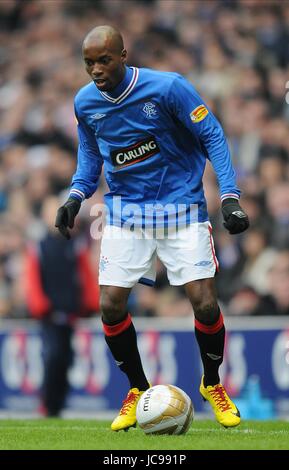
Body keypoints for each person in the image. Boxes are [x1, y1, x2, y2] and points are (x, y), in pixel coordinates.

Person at [55, 25, 249, 430]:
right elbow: (92, 156)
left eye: (103, 60)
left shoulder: (168, 88)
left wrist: (229, 195)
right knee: (110, 305)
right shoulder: (85, 103)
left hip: (181, 208)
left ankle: (212, 383)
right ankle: (138, 389)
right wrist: (75, 196)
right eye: (88, 63)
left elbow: (211, 133)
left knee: (206, 302)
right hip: (127, 213)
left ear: (124, 56)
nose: (95, 70)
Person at [26, 196, 99, 416]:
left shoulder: (75, 245)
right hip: (50, 315)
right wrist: (41, 306)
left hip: (70, 313)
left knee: (66, 358)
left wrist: (90, 304)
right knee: (53, 356)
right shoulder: (40, 247)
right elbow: (32, 279)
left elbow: (85, 276)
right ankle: (48, 403)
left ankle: (58, 403)